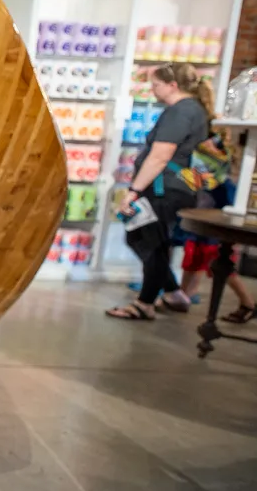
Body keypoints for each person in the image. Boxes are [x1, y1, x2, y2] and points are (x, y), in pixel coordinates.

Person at [107, 63, 212, 320]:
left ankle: (145, 304)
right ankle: (174, 293)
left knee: (147, 241)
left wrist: (133, 191)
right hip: (174, 187)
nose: (152, 90)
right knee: (150, 240)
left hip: (162, 188)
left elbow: (159, 156)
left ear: (172, 85)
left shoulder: (180, 112)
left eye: (155, 84)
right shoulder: (194, 110)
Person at [177, 134, 257, 321]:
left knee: (221, 268)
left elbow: (229, 210)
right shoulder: (203, 180)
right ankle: (181, 295)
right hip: (201, 230)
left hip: (214, 234)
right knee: (192, 261)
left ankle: (248, 303)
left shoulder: (224, 185)